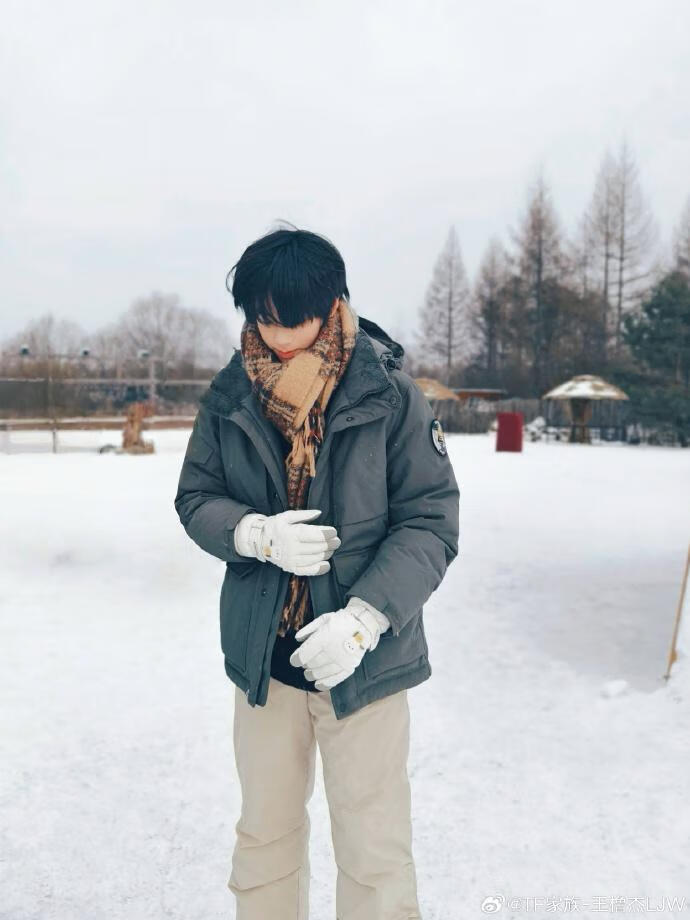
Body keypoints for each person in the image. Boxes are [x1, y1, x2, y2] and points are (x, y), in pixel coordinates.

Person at [174, 226, 460, 920]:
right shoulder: (230, 395)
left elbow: (430, 521)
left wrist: (365, 619)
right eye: (261, 318)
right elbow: (197, 496)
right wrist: (253, 534)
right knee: (264, 839)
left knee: (374, 851)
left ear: (331, 304)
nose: (276, 337)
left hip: (364, 666)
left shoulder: (389, 394)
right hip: (264, 659)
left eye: (292, 319)